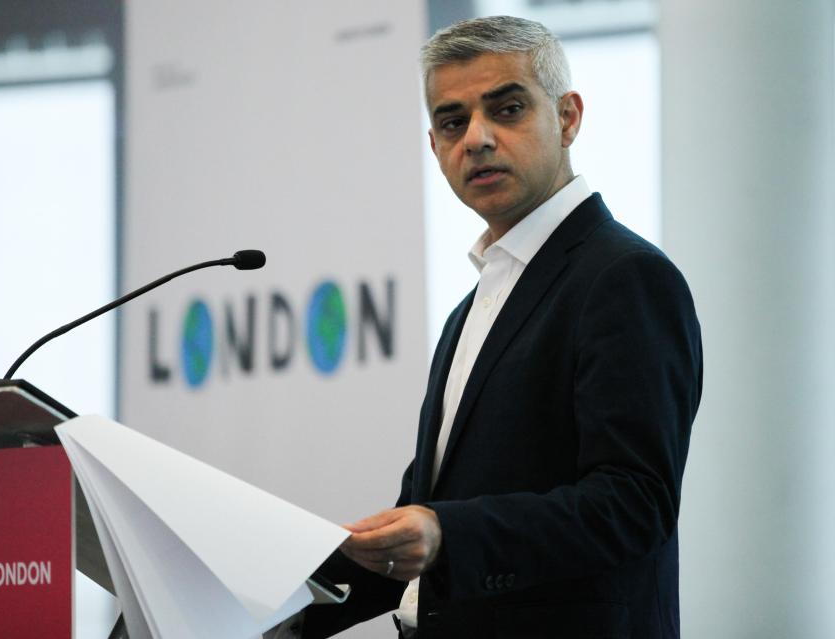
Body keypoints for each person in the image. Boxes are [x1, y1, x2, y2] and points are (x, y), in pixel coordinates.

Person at [280, 15, 702, 639]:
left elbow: (634, 504)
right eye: (452, 122)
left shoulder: (624, 276)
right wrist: (271, 610)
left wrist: (448, 532)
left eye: (506, 109)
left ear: (567, 117)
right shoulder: (472, 308)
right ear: (433, 146)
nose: (476, 138)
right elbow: (417, 530)